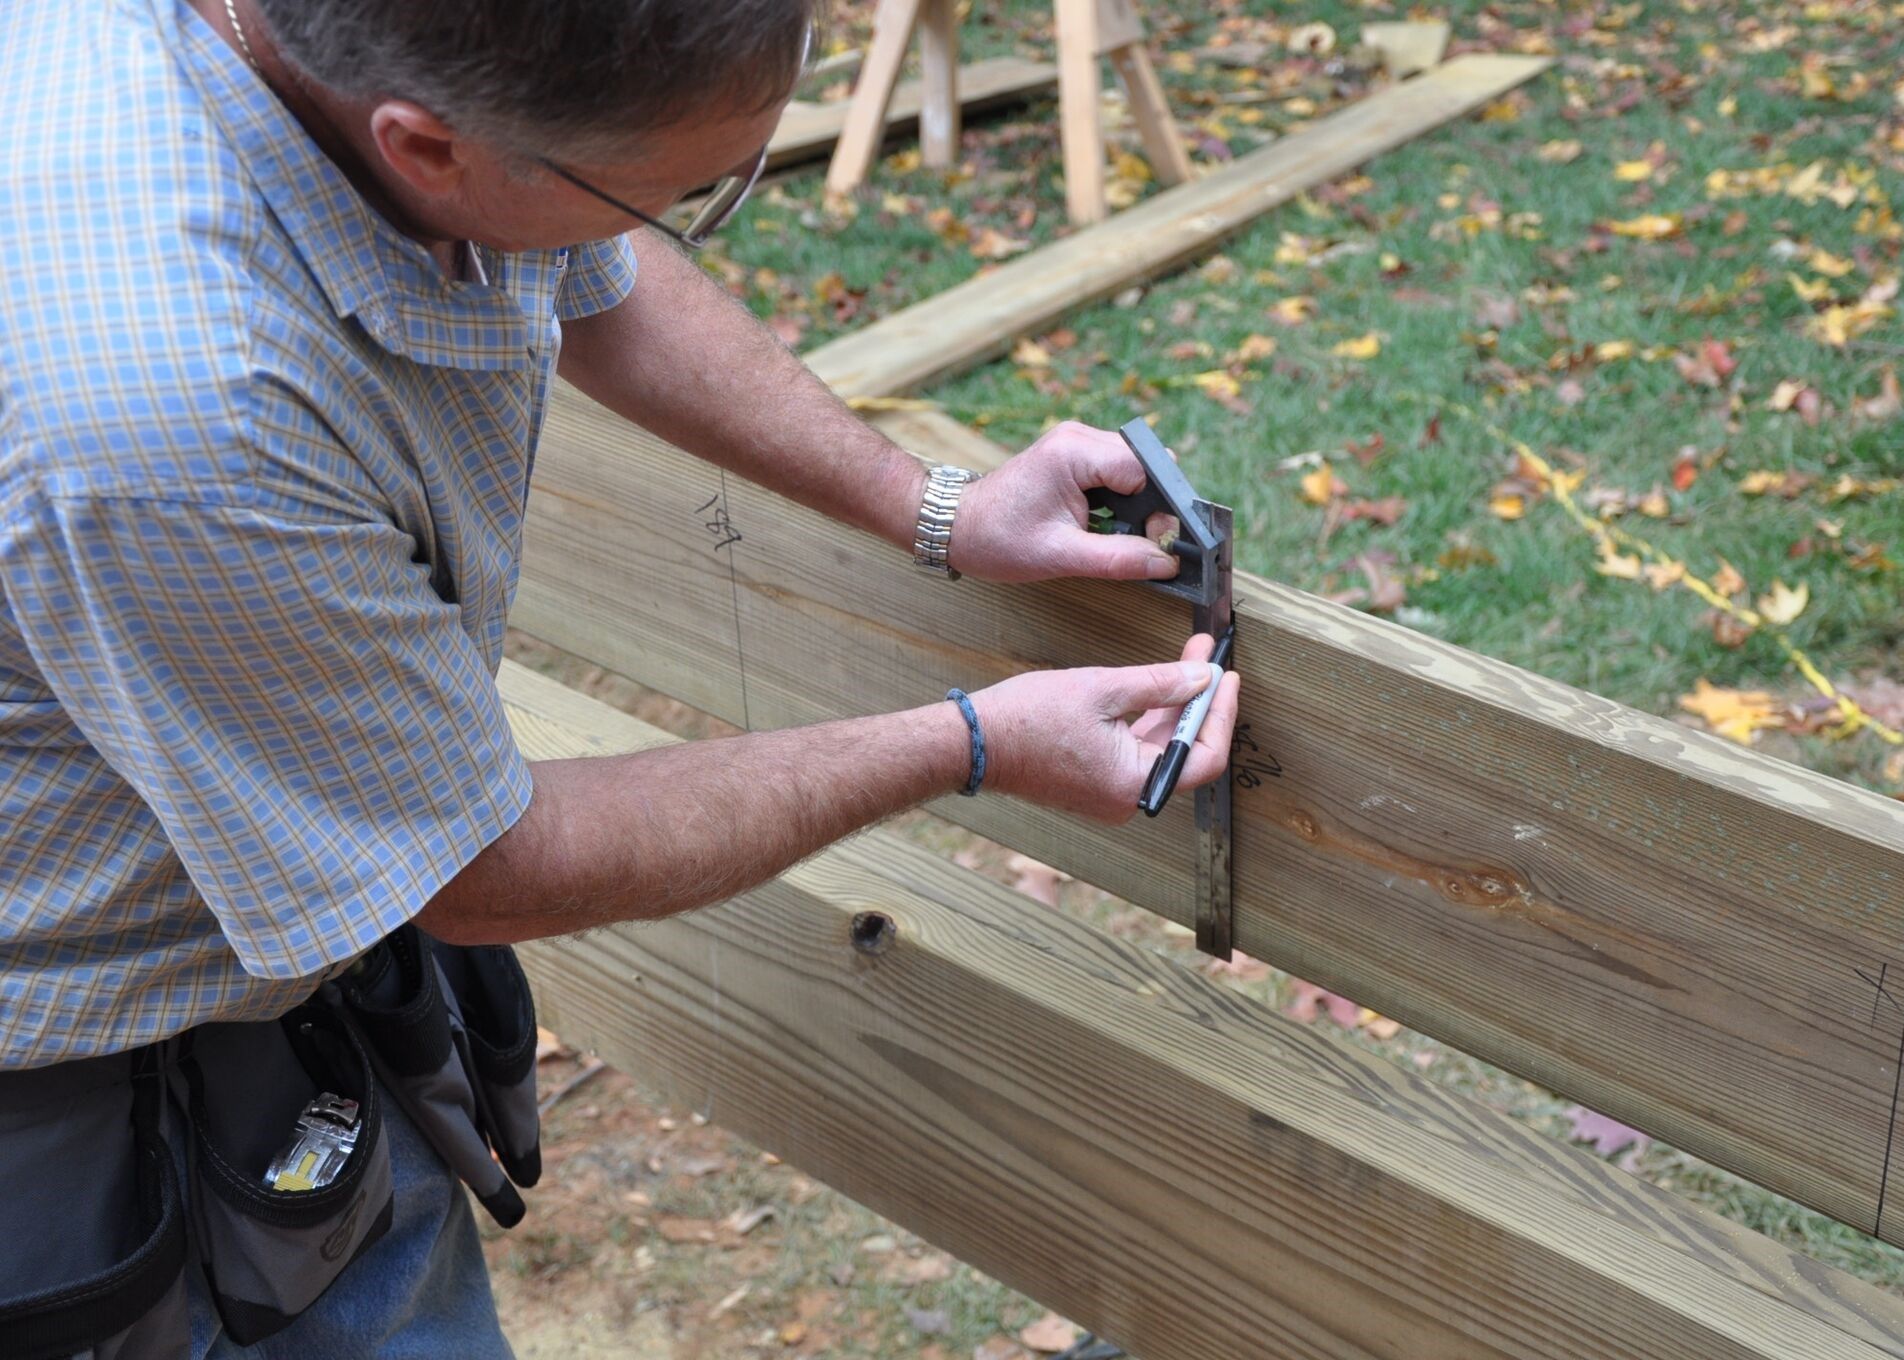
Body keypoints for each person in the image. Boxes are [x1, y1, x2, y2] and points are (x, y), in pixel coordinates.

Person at [0, 0, 1239, 1354]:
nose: (681, 220)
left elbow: (587, 258)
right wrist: (972, 744)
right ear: (427, 148)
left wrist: (932, 504)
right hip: (78, 1090)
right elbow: (479, 865)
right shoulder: (182, 416)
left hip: (288, 957)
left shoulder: (401, 85)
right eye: (686, 193)